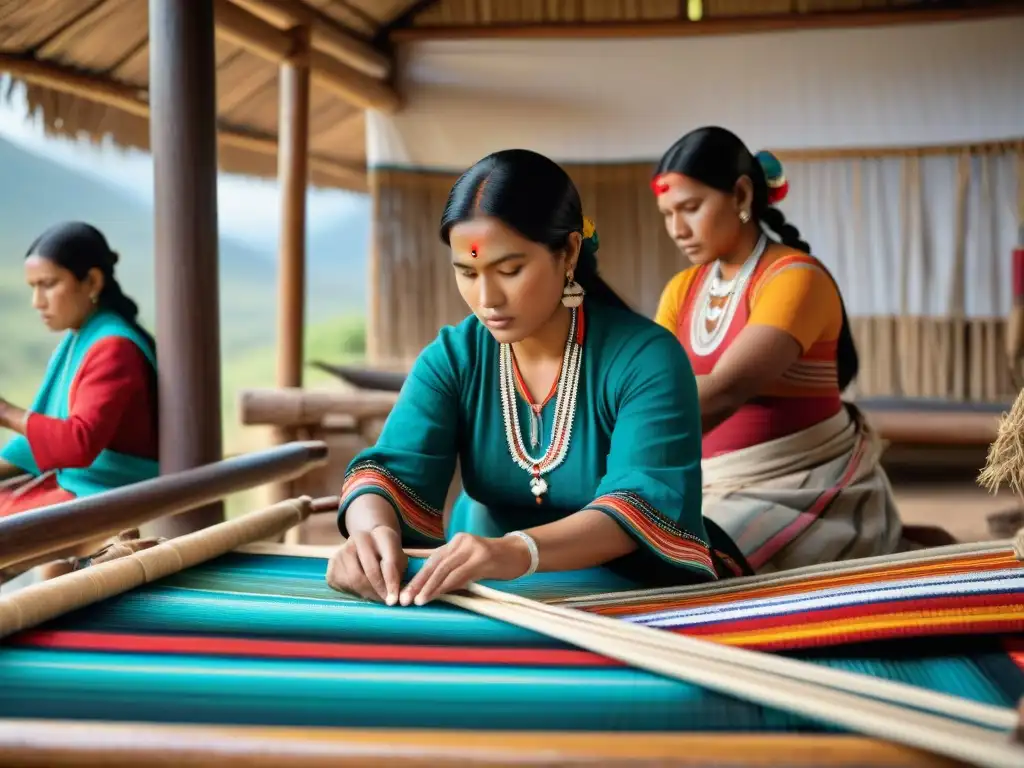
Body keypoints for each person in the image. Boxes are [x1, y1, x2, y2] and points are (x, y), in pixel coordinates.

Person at [327, 148, 750, 606]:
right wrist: (370, 533)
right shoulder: (455, 357)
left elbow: (642, 503)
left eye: (510, 270)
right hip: (488, 596)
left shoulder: (646, 359)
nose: (487, 297)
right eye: (466, 272)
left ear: (568, 252)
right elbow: (389, 472)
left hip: (638, 598)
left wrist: (516, 551)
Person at [651, 126, 901, 574]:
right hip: (709, 484)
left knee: (686, 567)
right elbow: (649, 385)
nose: (676, 229)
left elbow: (724, 392)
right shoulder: (681, 290)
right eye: (667, 213)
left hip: (799, 490)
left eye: (690, 208)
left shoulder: (795, 279)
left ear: (742, 195)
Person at [0, 222, 159, 530]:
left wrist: (6, 413)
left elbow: (77, 443)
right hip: (84, 482)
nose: (37, 302)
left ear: (92, 281)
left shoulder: (114, 347)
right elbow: (46, 435)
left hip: (109, 490)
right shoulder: (82, 337)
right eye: (33, 287)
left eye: (48, 284)